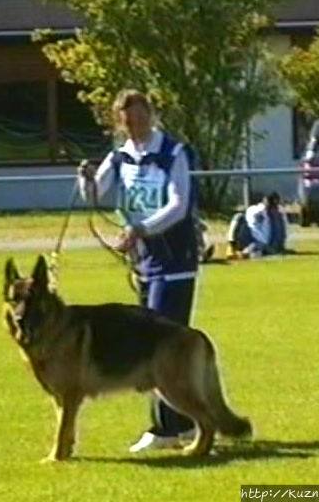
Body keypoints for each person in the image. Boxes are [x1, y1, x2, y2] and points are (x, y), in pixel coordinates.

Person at [77, 89, 199, 452]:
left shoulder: (173, 153)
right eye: (128, 121)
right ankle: (186, 422)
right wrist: (85, 180)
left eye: (140, 118)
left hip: (175, 261)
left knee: (159, 346)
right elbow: (97, 194)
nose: (135, 126)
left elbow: (179, 205)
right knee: (159, 345)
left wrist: (141, 228)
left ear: (152, 114)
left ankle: (166, 429)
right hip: (143, 262)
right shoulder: (120, 157)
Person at [227, 192, 288, 259]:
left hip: (266, 245)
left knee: (257, 247)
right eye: (272, 205)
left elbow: (282, 236)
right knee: (238, 217)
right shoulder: (256, 210)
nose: (274, 209)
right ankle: (231, 247)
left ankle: (246, 254)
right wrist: (262, 211)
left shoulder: (279, 217)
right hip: (249, 239)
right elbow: (252, 220)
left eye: (275, 206)